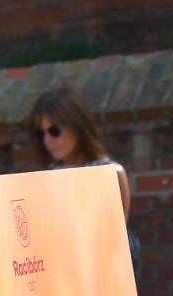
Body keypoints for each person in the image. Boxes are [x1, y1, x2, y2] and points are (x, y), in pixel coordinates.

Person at [23, 86, 139, 268]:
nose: (47, 140)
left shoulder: (108, 173)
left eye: (54, 131)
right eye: (40, 133)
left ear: (77, 126)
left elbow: (115, 234)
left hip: (102, 268)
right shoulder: (45, 178)